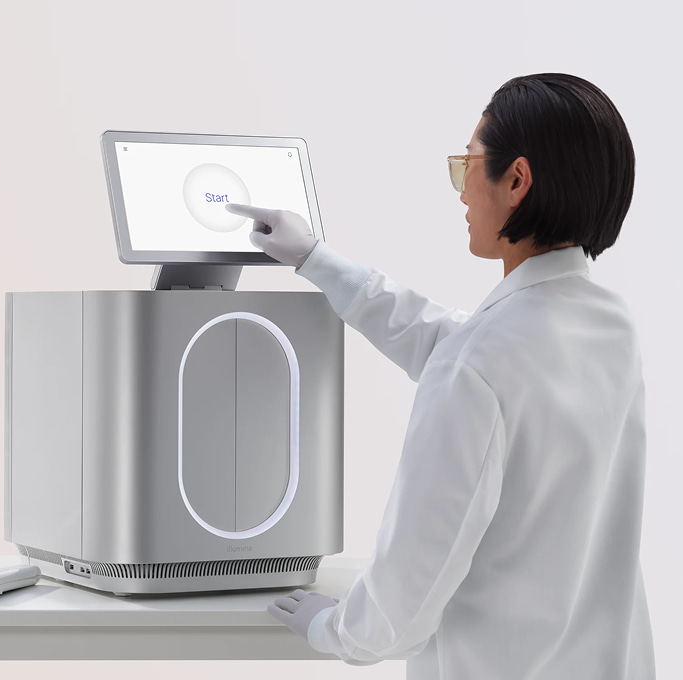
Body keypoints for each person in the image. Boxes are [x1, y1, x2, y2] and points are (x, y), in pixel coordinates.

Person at [226, 73, 654, 679]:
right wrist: (315, 259)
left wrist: (334, 626)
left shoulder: (480, 362)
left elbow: (403, 603)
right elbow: (449, 340)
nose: (460, 192)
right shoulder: (612, 328)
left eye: (467, 165)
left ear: (516, 179)